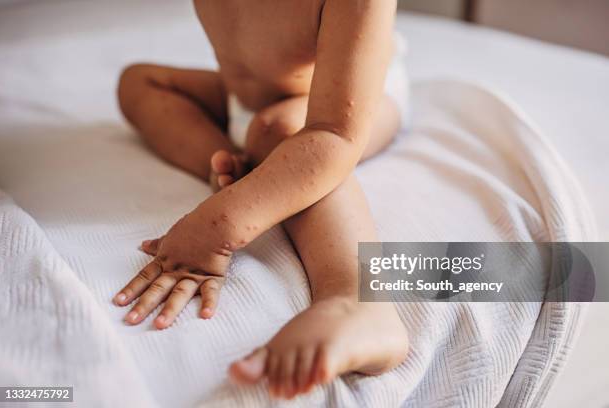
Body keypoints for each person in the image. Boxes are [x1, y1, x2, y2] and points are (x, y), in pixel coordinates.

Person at [114, 0, 409, 399]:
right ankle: (230, 167)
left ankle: (358, 300)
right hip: (246, 99)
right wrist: (237, 187)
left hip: (344, 103)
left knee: (281, 133)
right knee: (139, 82)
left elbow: (335, 135)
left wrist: (219, 226)